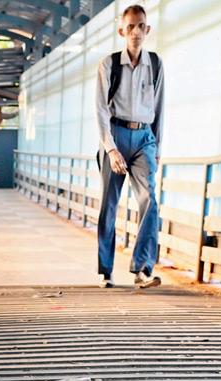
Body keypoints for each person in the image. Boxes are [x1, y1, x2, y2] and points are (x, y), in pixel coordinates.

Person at [95, 4, 164, 289]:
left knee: (150, 201)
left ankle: (142, 269)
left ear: (147, 30)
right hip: (116, 134)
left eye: (141, 26)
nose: (136, 32)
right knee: (109, 205)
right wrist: (110, 149)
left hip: (145, 138)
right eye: (131, 27)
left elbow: (160, 108)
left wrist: (158, 148)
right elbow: (100, 110)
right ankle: (106, 271)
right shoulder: (109, 64)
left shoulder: (156, 65)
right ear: (122, 30)